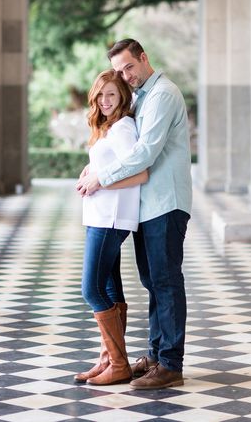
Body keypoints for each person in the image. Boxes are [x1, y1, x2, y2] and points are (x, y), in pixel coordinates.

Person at [77, 38, 192, 389]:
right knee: (152, 281)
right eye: (120, 70)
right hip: (147, 205)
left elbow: (144, 153)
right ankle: (157, 355)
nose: (126, 76)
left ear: (144, 58)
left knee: (165, 281)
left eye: (129, 67)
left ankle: (170, 363)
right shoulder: (140, 96)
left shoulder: (163, 94)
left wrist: (100, 178)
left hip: (166, 202)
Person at [75, 69, 148, 386]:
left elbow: (139, 174)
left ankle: (118, 363)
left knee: (91, 288)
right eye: (101, 94)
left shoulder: (123, 128)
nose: (105, 101)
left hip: (111, 219)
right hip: (99, 216)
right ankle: (109, 359)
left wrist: (98, 181)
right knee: (108, 289)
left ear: (122, 97)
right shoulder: (108, 128)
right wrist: (93, 170)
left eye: (112, 95)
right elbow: (112, 166)